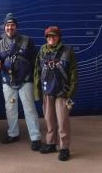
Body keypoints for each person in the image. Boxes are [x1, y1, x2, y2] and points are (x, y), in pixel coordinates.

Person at [0, 13, 42, 151]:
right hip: (7, 81)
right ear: (4, 27)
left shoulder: (27, 40)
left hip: (26, 80)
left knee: (29, 109)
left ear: (16, 27)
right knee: (10, 110)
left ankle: (35, 137)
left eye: (12, 25)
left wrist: (33, 77)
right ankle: (13, 134)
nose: (10, 27)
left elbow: (35, 60)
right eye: (7, 25)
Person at [34, 26, 78, 161]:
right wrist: (37, 93)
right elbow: (37, 72)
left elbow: (73, 72)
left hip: (62, 93)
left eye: (54, 36)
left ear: (59, 37)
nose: (51, 38)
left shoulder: (67, 51)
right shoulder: (42, 50)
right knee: (49, 119)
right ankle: (51, 143)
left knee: (63, 121)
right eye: (48, 36)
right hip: (48, 92)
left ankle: (64, 148)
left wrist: (70, 92)